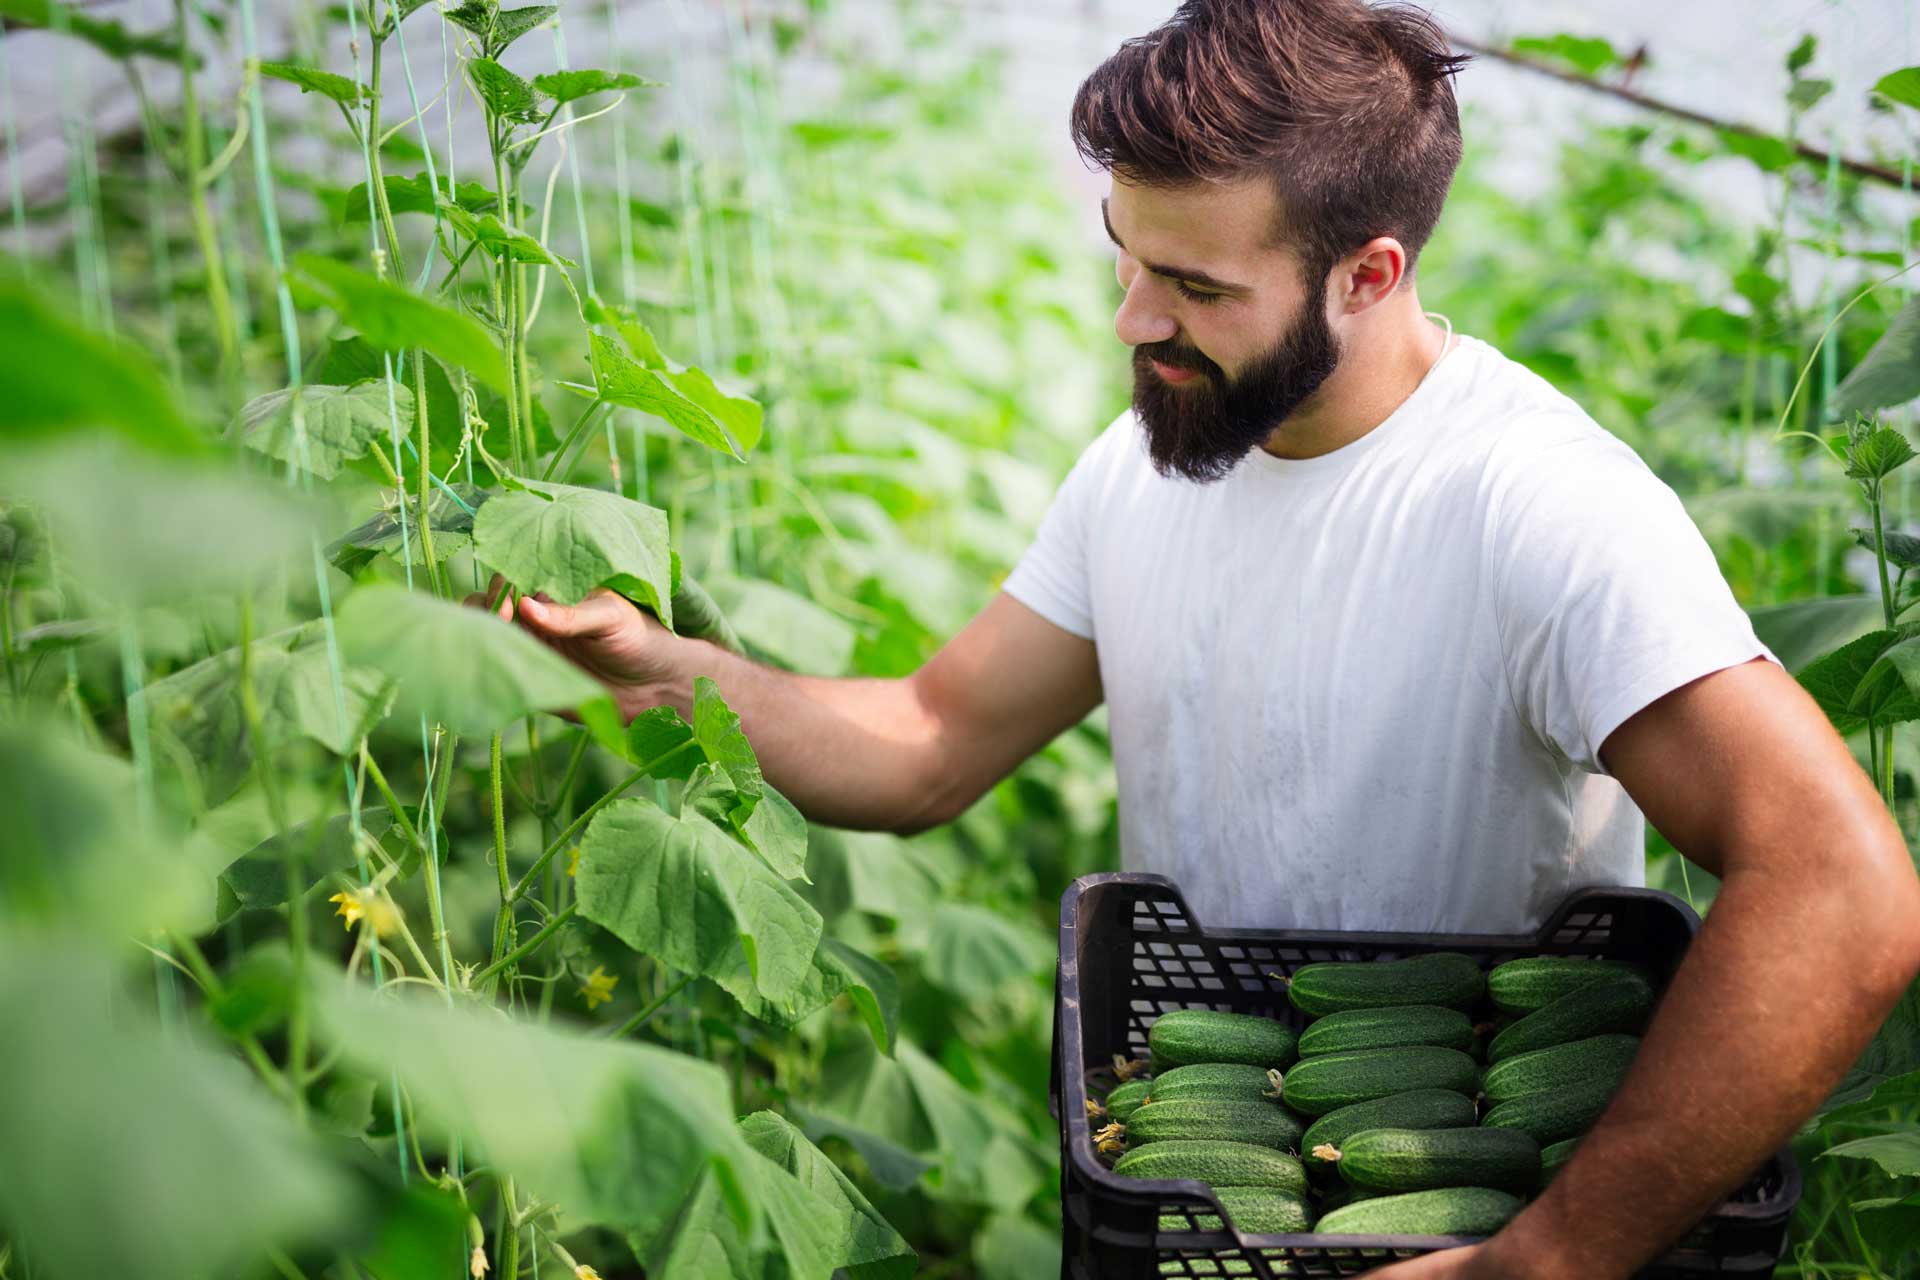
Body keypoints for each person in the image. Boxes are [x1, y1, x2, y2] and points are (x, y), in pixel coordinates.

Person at [471, 1, 1920, 1274]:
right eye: (1127, 256)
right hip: (1212, 1165)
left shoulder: (1539, 507)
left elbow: (1846, 889)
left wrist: (1553, 1258)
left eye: (1199, 290)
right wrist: (665, 670)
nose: (1131, 320)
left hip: (1460, 1178)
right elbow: (926, 745)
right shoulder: (1144, 466)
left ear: (1371, 273)